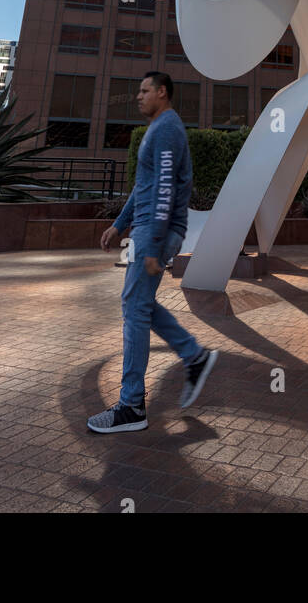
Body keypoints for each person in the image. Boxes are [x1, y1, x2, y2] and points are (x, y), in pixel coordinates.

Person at [87, 71, 217, 433]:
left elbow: (163, 190)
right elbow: (143, 188)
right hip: (146, 229)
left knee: (133, 307)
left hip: (154, 232)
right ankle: (194, 356)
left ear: (163, 92)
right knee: (140, 304)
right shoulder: (158, 130)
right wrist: (119, 224)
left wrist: (157, 240)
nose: (138, 96)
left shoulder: (167, 130)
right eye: (138, 90)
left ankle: (131, 406)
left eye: (145, 90)